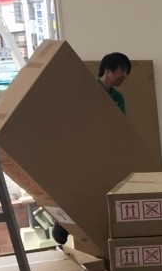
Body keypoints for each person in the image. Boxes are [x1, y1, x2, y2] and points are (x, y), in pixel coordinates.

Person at [51, 51, 132, 246]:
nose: (124, 75)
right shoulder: (87, 89)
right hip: (81, 148)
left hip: (105, 149)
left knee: (101, 189)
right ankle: (62, 222)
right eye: (122, 70)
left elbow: (121, 124)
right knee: (78, 187)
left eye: (127, 72)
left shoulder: (117, 97)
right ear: (108, 69)